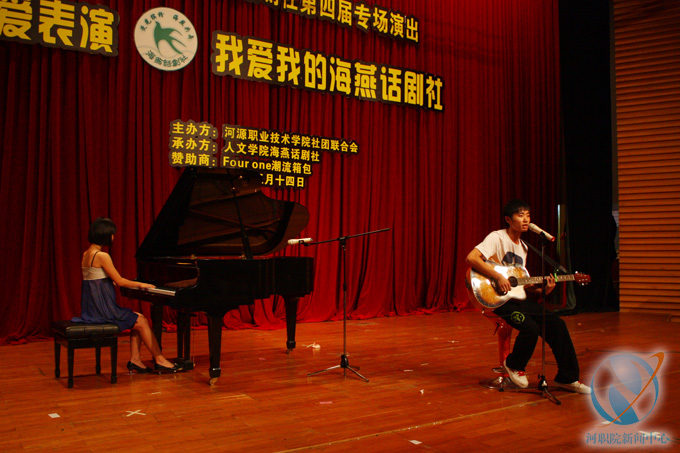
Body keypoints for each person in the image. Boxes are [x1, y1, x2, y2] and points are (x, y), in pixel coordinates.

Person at [465, 199, 590, 394]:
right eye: (520, 215)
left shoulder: (524, 247)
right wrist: (498, 276)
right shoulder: (497, 238)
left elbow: (522, 282)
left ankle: (568, 377)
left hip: (517, 299)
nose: (526, 219)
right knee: (530, 327)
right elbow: (472, 258)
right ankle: (514, 365)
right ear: (508, 219)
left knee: (557, 324)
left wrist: (544, 291)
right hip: (497, 301)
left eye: (528, 215)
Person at [72, 217, 180, 374]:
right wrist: (141, 284)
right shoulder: (102, 256)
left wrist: (109, 280)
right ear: (104, 234)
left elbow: (94, 280)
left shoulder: (86, 254)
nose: (113, 237)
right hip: (102, 310)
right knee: (141, 321)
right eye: (112, 234)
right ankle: (160, 360)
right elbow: (120, 281)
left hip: (91, 308)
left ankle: (135, 360)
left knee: (137, 318)